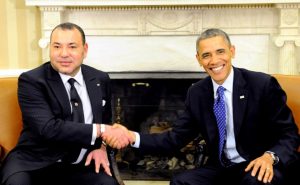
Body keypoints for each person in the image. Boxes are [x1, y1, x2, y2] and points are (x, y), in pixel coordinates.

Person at [108, 28, 300, 185]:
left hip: (258, 164)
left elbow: (289, 134)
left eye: (220, 52)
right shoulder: (198, 93)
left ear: (232, 51)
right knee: (181, 182)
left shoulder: (262, 84)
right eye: (206, 55)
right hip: (222, 167)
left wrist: (269, 157)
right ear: (199, 59)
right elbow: (174, 139)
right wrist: (132, 136)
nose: (214, 61)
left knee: (253, 182)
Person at [0, 22, 132, 185]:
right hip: (34, 163)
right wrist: (101, 130)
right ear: (50, 49)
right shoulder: (32, 81)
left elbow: (106, 119)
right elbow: (48, 128)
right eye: (57, 47)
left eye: (72, 47)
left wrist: (102, 148)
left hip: (82, 163)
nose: (63, 54)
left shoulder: (99, 79)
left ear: (85, 50)